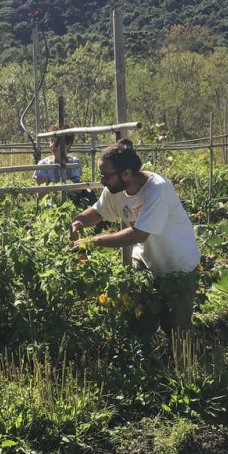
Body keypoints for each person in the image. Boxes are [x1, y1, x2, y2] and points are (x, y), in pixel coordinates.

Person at [69, 139, 200, 334]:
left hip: (178, 267)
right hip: (145, 263)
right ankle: (143, 359)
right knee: (139, 324)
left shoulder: (157, 189)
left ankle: (181, 362)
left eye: (106, 176)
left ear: (126, 173)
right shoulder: (115, 188)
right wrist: (79, 220)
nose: (102, 181)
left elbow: (139, 234)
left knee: (176, 329)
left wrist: (94, 241)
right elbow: (98, 212)